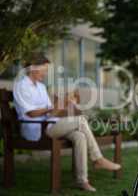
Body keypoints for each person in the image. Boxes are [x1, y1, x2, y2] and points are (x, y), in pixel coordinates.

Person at [13, 52, 121, 192]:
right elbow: (31, 113)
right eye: (44, 70)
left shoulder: (40, 87)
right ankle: (97, 159)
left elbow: (51, 112)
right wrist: (53, 107)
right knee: (81, 121)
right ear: (33, 68)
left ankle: (82, 181)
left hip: (50, 124)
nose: (45, 73)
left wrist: (66, 103)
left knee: (80, 136)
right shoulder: (21, 86)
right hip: (36, 129)